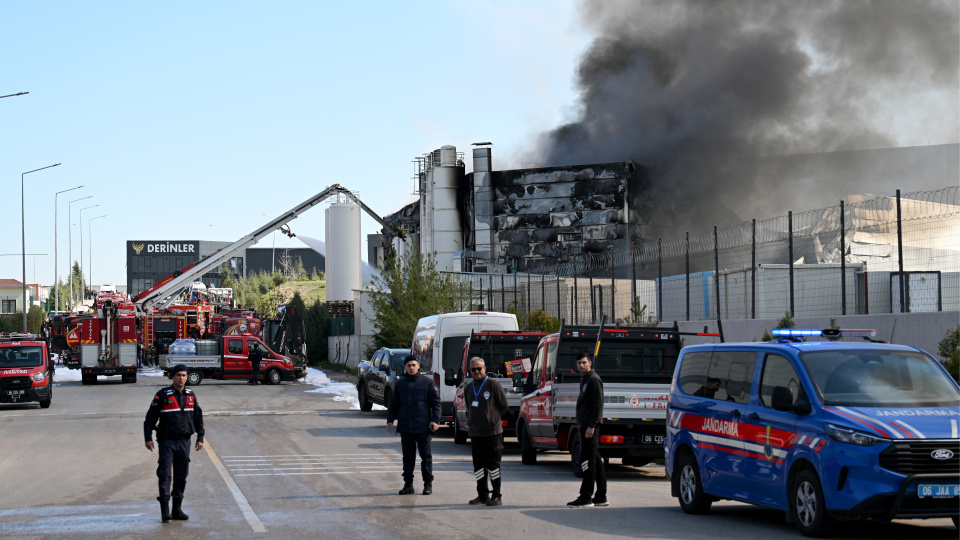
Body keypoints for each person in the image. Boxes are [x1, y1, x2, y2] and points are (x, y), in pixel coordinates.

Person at [143, 364, 204, 523]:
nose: (181, 378)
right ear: (172, 377)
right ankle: (165, 511)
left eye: (184, 375)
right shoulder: (162, 395)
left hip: (184, 441)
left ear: (187, 377)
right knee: (165, 474)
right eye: (178, 375)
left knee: (181, 475)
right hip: (167, 441)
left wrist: (200, 437)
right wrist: (148, 438)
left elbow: (198, 418)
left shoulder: (191, 395)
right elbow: (150, 418)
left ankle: (177, 509)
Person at [386, 355, 441, 495]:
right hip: (406, 427)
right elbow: (394, 404)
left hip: (423, 426)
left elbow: (436, 403)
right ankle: (408, 485)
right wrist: (390, 419)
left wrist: (435, 420)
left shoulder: (427, 382)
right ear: (405, 367)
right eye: (409, 365)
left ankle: (427, 484)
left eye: (413, 365)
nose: (411, 367)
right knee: (408, 458)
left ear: (418, 366)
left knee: (426, 457)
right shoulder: (400, 384)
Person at [465, 357, 509, 506]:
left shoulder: (493, 384)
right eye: (473, 369)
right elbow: (468, 407)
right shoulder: (468, 388)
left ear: (485, 369)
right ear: (470, 371)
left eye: (479, 368)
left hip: (492, 433)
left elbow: (504, 406)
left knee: (493, 466)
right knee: (478, 467)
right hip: (476, 433)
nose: (477, 371)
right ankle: (482, 495)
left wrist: (493, 419)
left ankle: (496, 495)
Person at [568, 352, 607, 508]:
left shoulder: (593, 379)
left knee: (587, 462)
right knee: (596, 461)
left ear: (590, 363)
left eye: (584, 362)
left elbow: (598, 405)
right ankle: (601, 496)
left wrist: (592, 426)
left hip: (590, 427)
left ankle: (585, 497)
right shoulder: (585, 379)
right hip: (585, 425)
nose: (581, 365)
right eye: (579, 363)